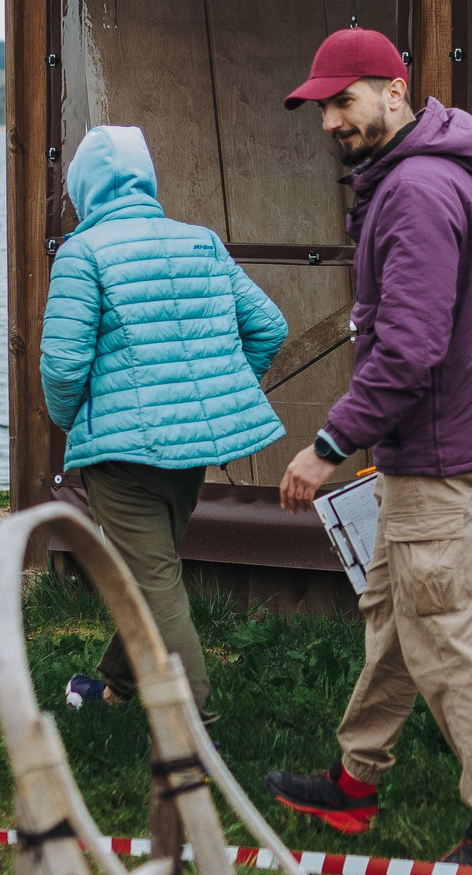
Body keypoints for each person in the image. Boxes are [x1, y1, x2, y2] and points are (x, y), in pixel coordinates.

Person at [263, 28, 472, 870]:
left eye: (342, 102)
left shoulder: (414, 191)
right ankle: (356, 783)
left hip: (435, 444)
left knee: (447, 639)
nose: (328, 122)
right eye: (320, 107)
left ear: (393, 89)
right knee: (396, 616)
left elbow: (410, 348)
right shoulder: (433, 172)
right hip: (439, 437)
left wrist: (328, 445)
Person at [40, 125, 289, 724]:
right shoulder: (199, 241)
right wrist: (218, 391)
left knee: (154, 581)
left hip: (121, 457)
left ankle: (193, 725)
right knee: (148, 570)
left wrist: (73, 419)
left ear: (82, 188)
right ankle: (119, 683)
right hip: (190, 449)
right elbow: (270, 327)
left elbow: (64, 363)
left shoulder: (83, 251)